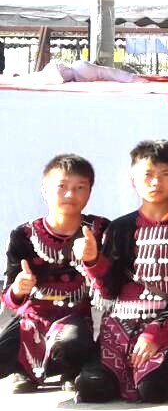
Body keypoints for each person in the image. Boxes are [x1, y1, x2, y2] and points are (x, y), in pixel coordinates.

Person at [72, 141, 168, 403]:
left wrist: (156, 332)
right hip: (120, 325)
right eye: (147, 174)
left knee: (152, 389)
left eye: (165, 174)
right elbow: (109, 290)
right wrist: (93, 261)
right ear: (133, 179)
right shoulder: (120, 228)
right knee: (93, 387)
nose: (156, 182)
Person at [2, 155, 106, 391]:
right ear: (45, 190)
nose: (70, 194)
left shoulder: (100, 230)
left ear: (90, 192)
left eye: (80, 187)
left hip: (75, 316)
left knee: (72, 340)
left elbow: (112, 283)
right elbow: (9, 295)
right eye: (62, 186)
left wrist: (94, 261)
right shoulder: (23, 235)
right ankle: (25, 369)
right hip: (32, 318)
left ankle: (71, 369)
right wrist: (19, 288)